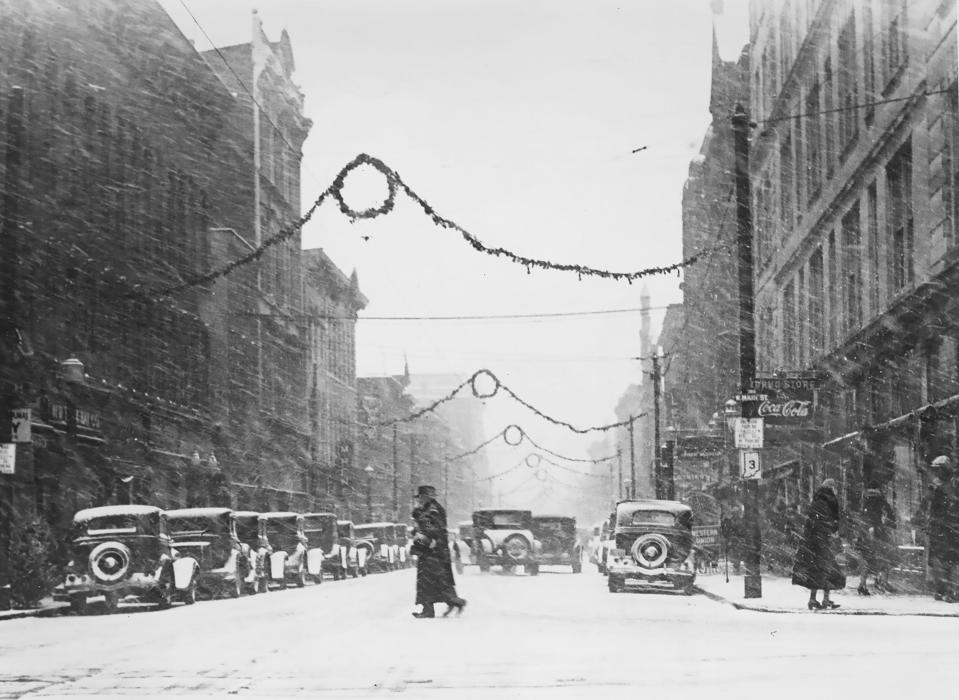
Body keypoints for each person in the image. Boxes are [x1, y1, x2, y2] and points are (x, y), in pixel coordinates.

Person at [410, 485, 466, 618]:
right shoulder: (430, 509)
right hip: (435, 551)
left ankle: (442, 605)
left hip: (433, 551)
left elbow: (432, 528)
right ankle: (450, 603)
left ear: (426, 497)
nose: (419, 501)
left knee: (430, 581)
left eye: (421, 498)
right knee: (438, 580)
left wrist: (421, 525)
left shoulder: (431, 510)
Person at [791, 478, 846, 610]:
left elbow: (812, 521)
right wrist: (831, 531)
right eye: (835, 487)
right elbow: (827, 521)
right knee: (827, 570)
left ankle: (814, 599)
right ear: (832, 488)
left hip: (813, 542)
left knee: (817, 571)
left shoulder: (817, 500)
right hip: (822, 541)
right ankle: (824, 600)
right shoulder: (828, 501)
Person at [917, 455, 959, 602]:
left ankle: (951, 590)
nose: (937, 473)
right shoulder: (935, 485)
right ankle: (942, 589)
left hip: (950, 528)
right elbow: (925, 502)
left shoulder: (953, 484)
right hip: (940, 528)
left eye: (939, 470)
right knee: (939, 560)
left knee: (951, 559)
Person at [854, 480, 896, 595]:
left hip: (865, 534)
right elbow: (890, 516)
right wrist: (891, 524)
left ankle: (862, 584)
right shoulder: (881, 501)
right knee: (884, 558)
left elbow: (862, 516)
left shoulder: (865, 500)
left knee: (866, 559)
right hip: (878, 533)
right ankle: (881, 582)